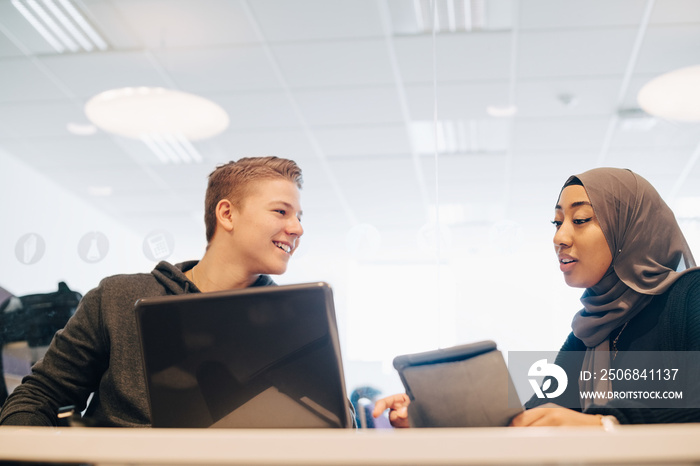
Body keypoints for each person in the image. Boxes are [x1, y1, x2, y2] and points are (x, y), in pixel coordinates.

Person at [373, 167, 700, 427]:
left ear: (630, 230)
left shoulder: (690, 296)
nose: (560, 236)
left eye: (581, 219)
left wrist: (604, 424)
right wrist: (425, 414)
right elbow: (530, 420)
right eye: (557, 222)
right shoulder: (589, 333)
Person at [0, 156, 304, 427]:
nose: (297, 228)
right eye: (281, 211)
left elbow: (331, 421)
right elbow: (42, 394)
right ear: (226, 214)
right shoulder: (117, 297)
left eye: (299, 217)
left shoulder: (291, 322)